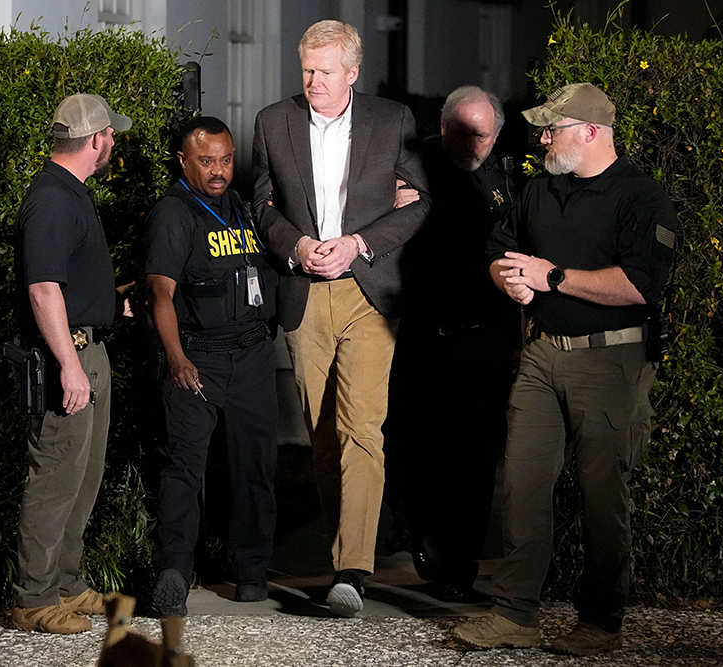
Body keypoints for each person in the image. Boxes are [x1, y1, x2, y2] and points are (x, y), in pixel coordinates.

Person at [451, 83, 676, 655]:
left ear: (593, 132)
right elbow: (498, 252)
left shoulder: (641, 196)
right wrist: (510, 281)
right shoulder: (539, 190)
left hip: (610, 358)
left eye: (555, 129)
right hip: (541, 355)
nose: (543, 138)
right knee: (523, 484)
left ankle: (601, 621)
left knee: (603, 494)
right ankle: (514, 614)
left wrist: (551, 277)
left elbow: (639, 285)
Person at [251, 19, 430, 617]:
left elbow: (418, 200)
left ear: (352, 73)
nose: (314, 81)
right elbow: (262, 204)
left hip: (367, 292)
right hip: (305, 291)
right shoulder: (274, 122)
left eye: (325, 72)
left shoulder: (392, 120)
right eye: (307, 70)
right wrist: (299, 248)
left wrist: (357, 244)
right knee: (322, 438)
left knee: (362, 429)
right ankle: (340, 562)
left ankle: (354, 569)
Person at [385, 85, 518, 601]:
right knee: (413, 446)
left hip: (483, 341)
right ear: (440, 127)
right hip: (423, 336)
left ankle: (456, 566)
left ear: (498, 134)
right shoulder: (411, 167)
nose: (467, 143)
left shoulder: (508, 178)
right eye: (457, 131)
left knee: (475, 458)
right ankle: (416, 527)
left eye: (479, 134)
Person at [145, 117, 279, 617]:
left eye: (225, 159)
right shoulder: (174, 213)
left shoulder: (242, 208)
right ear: (184, 162)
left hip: (251, 354)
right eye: (206, 161)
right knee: (184, 469)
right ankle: (173, 575)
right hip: (198, 356)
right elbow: (161, 291)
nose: (219, 170)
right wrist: (176, 357)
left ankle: (251, 572)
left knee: (256, 466)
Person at [11, 93, 135, 634]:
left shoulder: (71, 193)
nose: (113, 144)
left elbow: (66, 281)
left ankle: (65, 583)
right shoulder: (53, 199)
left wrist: (107, 301)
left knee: (83, 477)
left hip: (89, 347)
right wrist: (69, 364)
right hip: (71, 356)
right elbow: (42, 288)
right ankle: (33, 598)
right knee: (56, 477)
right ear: (96, 140)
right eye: (111, 135)